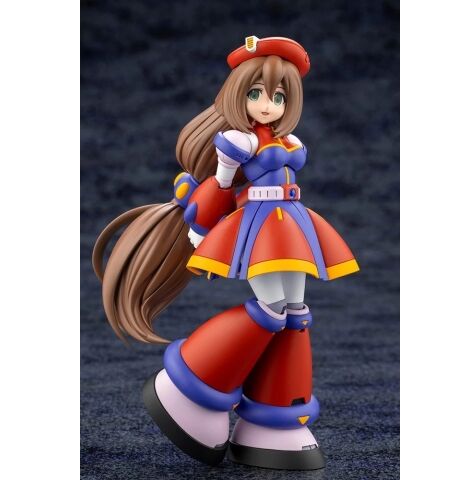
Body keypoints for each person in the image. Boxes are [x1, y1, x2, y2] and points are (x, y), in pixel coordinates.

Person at [92, 35, 359, 471]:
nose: (268, 104)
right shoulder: (238, 142)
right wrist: (201, 230)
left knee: (295, 312)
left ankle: (275, 419)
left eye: (278, 96)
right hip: (260, 228)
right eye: (257, 94)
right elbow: (219, 185)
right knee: (272, 310)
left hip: (291, 224)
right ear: (239, 95)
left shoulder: (288, 141)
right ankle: (193, 386)